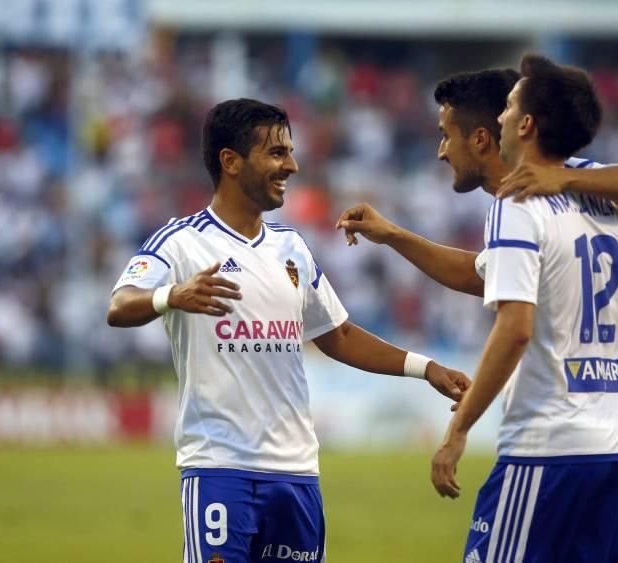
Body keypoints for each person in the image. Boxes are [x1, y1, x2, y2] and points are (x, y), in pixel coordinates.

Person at [337, 66, 618, 562]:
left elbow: (515, 327)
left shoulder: (520, 203)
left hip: (550, 441)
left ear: (504, 130)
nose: (440, 149)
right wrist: (394, 235)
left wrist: (457, 432)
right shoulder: (603, 195)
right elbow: (484, 274)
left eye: (444, 135)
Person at [106, 99, 470, 563]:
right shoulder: (181, 242)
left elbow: (336, 335)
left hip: (296, 472)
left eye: (290, 153)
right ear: (230, 161)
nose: (291, 165)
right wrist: (169, 296)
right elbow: (119, 306)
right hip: (220, 467)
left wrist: (426, 368)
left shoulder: (291, 247)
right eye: (276, 153)